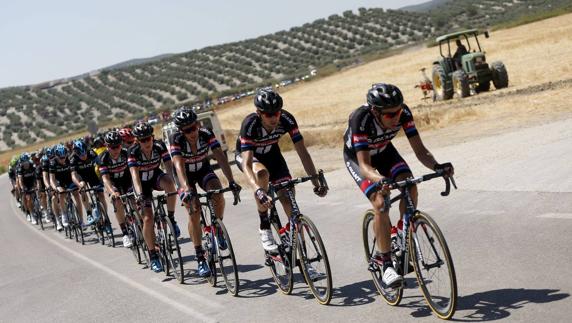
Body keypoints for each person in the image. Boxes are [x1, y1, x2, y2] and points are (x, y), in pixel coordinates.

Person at [343, 83, 454, 287]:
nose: (395, 117)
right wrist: (380, 180)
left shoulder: (403, 113)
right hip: (359, 160)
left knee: (409, 184)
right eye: (389, 115)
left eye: (398, 111)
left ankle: (402, 234)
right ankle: (386, 264)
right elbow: (365, 166)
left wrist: (438, 166)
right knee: (380, 202)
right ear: (376, 112)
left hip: (385, 152)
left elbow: (420, 152)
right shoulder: (360, 119)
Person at [235, 89, 327, 254]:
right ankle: (264, 226)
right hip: (249, 157)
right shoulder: (250, 124)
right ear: (259, 113)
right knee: (262, 174)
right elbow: (247, 164)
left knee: (289, 200)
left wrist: (315, 181)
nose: (274, 118)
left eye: (276, 113)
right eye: (268, 115)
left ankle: (304, 259)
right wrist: (258, 191)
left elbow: (302, 152)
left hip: (273, 155)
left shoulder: (287, 119)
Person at [170, 106, 241, 277]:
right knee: (194, 211)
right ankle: (200, 255)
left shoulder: (206, 134)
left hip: (203, 170)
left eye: (193, 127)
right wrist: (185, 187)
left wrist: (231, 181)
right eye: (187, 130)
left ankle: (217, 226)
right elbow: (179, 165)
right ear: (181, 131)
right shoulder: (176, 139)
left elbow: (220, 156)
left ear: (197, 124)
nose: (192, 132)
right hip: (184, 175)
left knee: (217, 192)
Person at [128, 121, 179, 273]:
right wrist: (139, 196)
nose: (146, 142)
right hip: (141, 184)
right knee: (148, 219)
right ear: (137, 141)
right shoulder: (133, 152)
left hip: (155, 176)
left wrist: (174, 185)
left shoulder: (159, 146)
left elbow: (169, 167)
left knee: (169, 183)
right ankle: (153, 255)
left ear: (152, 137)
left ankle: (171, 218)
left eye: (148, 138)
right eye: (142, 140)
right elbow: (135, 177)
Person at [99, 131, 133, 247]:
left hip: (127, 180)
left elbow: (134, 171)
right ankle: (125, 233)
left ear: (121, 144)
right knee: (117, 201)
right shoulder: (103, 158)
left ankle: (138, 222)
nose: (115, 150)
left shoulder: (126, 153)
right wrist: (112, 192)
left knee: (135, 199)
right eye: (112, 147)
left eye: (117, 146)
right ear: (106, 146)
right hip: (113, 183)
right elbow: (105, 179)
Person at [70, 139, 106, 227]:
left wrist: (103, 177)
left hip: (92, 175)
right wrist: (78, 184)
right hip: (81, 177)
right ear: (76, 153)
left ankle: (105, 217)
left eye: (85, 153)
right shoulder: (73, 159)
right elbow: (73, 176)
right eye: (81, 155)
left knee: (101, 194)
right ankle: (89, 214)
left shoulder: (92, 153)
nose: (84, 156)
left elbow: (101, 165)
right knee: (82, 189)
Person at [50, 144, 82, 228]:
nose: (63, 159)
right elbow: (52, 180)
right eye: (61, 158)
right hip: (59, 182)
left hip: (69, 180)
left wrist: (79, 184)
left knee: (77, 195)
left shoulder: (70, 161)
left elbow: (73, 175)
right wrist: (56, 188)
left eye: (64, 157)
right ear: (56, 156)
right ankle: (64, 215)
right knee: (61, 194)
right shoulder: (53, 163)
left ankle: (81, 220)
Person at [16, 153, 37, 223]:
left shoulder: (32, 166)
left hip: (31, 182)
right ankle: (30, 214)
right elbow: (20, 181)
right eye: (24, 163)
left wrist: (36, 185)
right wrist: (22, 188)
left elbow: (36, 177)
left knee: (35, 195)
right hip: (24, 184)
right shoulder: (20, 169)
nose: (26, 164)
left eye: (27, 162)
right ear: (21, 163)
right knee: (28, 199)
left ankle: (37, 207)